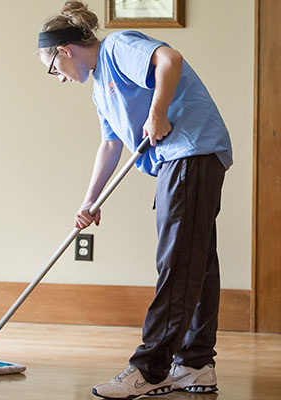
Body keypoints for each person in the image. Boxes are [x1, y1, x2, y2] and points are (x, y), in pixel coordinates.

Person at [37, 2, 232, 399]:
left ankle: (151, 368)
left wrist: (158, 111)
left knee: (178, 262)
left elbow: (170, 59)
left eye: (53, 69)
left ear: (64, 50)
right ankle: (195, 365)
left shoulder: (118, 46)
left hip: (191, 152)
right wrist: (89, 201)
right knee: (197, 262)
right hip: (178, 161)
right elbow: (110, 145)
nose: (57, 79)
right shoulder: (99, 88)